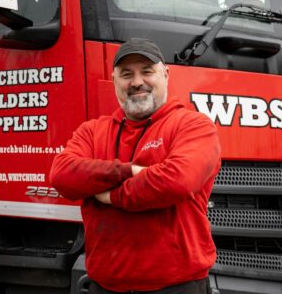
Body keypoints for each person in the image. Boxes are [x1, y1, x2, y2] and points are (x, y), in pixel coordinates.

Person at [50, 38, 221, 294]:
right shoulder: (92, 131)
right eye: (126, 74)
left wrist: (111, 196)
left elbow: (177, 181)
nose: (137, 82)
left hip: (177, 287)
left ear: (166, 74)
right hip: (105, 287)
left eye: (147, 71)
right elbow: (62, 176)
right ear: (114, 80)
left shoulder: (194, 126)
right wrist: (128, 171)